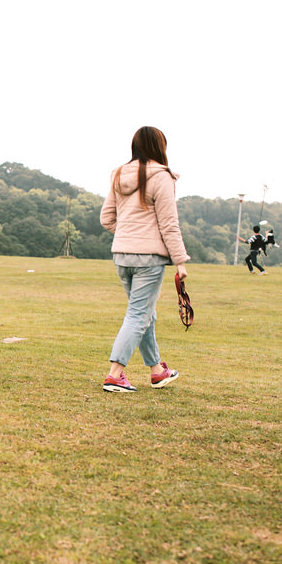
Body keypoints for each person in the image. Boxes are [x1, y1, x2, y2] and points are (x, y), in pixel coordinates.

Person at [99, 126, 189, 393]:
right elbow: (169, 224)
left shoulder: (118, 174)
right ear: (159, 147)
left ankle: (157, 371)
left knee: (144, 314)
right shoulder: (162, 176)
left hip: (122, 256)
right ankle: (115, 375)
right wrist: (180, 261)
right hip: (148, 259)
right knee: (138, 314)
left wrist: (129, 235)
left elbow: (107, 219)